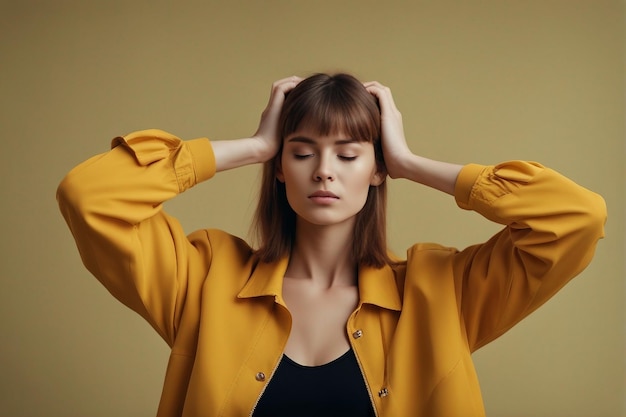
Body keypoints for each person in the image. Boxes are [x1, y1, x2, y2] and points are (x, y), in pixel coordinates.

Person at [57, 73, 606, 417]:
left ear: (376, 169)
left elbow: (577, 218)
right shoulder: (205, 281)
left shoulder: (441, 292)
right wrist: (252, 146)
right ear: (279, 169)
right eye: (300, 153)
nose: (324, 171)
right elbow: (90, 196)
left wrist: (411, 163)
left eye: (348, 155)